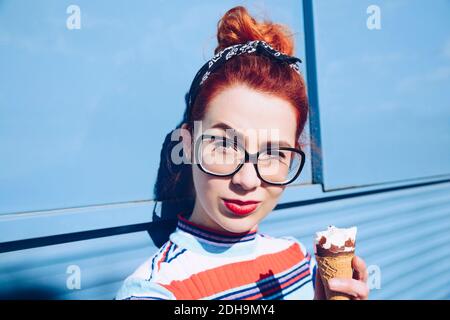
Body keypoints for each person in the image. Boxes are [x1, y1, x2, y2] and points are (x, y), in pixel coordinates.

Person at [116, 5, 369, 300]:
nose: (247, 181)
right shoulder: (157, 290)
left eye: (273, 153)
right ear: (187, 145)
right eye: (224, 145)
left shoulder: (299, 260)